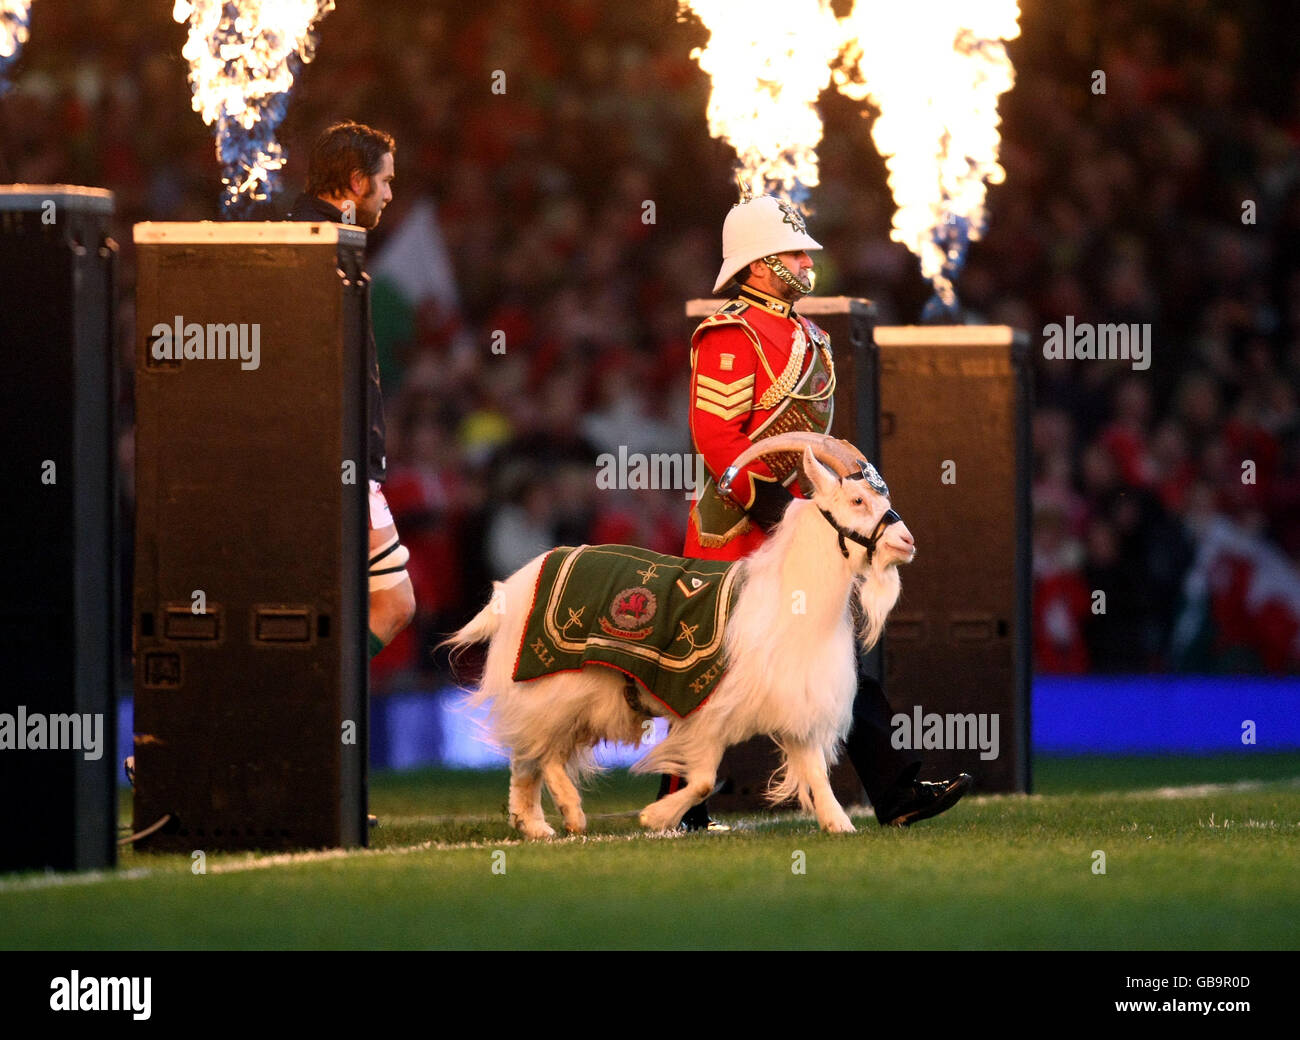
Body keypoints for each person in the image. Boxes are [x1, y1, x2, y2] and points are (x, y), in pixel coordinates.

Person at [661, 193, 972, 830]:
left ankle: (897, 792)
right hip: (739, 527)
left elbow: (814, 446)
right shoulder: (730, 334)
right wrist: (773, 506)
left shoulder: (813, 337)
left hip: (800, 527)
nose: (807, 263)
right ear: (755, 266)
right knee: (707, 661)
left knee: (835, 660)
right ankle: (684, 804)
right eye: (793, 253)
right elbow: (717, 438)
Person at [286, 121, 416, 660]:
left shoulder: (313, 241)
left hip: (324, 466)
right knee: (393, 603)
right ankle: (310, 702)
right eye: (385, 182)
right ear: (358, 183)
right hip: (335, 468)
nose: (389, 194)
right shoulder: (317, 250)